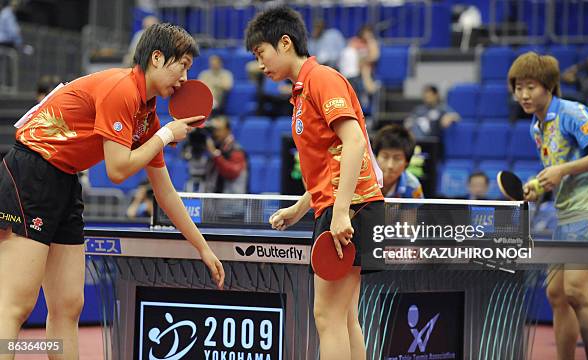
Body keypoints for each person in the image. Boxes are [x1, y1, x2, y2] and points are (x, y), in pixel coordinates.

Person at [0, 23, 224, 359]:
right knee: (17, 303)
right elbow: (118, 169)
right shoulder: (122, 90)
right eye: (184, 65)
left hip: (64, 179)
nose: (186, 79)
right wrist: (165, 137)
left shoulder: (148, 119)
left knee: (68, 305)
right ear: (158, 58)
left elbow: (165, 193)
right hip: (31, 172)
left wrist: (202, 247)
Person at [246, 7, 385, 360]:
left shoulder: (322, 79)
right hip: (345, 205)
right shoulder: (300, 91)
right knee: (344, 316)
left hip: (351, 207)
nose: (261, 65)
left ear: (285, 42)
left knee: (328, 317)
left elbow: (354, 143)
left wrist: (340, 213)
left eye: (262, 54)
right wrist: (299, 207)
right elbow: (332, 162)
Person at [509, 51, 588, 360]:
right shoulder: (536, 127)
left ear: (549, 86)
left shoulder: (572, 112)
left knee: (577, 291)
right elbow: (559, 167)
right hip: (566, 212)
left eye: (531, 86)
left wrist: (560, 171)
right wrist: (538, 186)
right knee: (556, 293)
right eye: (518, 87)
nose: (524, 95)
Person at [182, 115, 247, 193]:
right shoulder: (216, 146)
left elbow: (232, 173)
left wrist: (214, 153)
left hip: (232, 200)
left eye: (218, 130)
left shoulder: (236, 149)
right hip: (217, 198)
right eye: (213, 130)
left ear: (227, 130)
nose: (215, 133)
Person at [373, 124, 423, 198]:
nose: (390, 165)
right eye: (385, 157)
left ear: (407, 162)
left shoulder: (413, 186)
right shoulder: (363, 181)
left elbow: (418, 209)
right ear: (376, 157)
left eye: (397, 158)